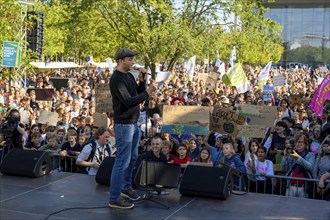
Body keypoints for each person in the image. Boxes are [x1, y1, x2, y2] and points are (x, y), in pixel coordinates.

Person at [108, 48, 157, 209]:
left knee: (133, 156)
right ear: (121, 60)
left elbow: (138, 94)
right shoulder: (116, 79)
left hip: (134, 122)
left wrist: (143, 81)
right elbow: (129, 101)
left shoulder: (129, 76)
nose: (133, 62)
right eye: (130, 59)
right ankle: (114, 197)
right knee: (122, 160)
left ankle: (126, 187)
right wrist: (149, 92)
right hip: (124, 124)